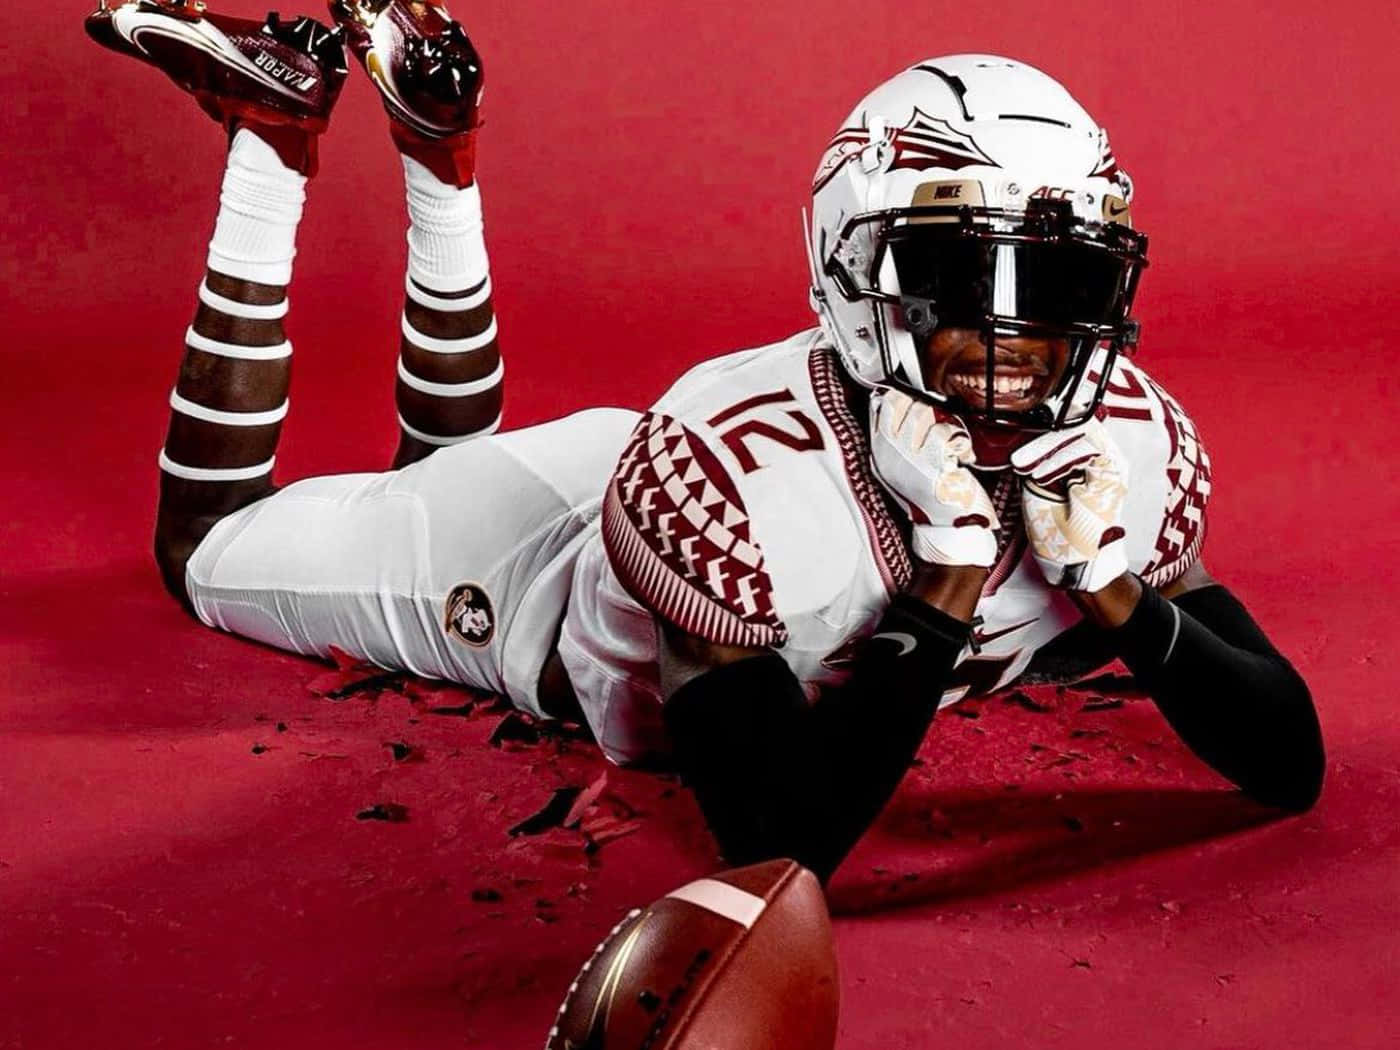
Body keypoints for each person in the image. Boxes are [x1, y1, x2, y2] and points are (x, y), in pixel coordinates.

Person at [86, 0, 1324, 884]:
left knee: (425, 468)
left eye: (1057, 279)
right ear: (849, 263)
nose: (1014, 331)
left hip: (664, 461)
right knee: (205, 550)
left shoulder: (1125, 444)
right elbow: (783, 846)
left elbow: (1289, 758)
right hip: (527, 563)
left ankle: (437, 152)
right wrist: (946, 586)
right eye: (961, 271)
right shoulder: (733, 483)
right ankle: (272, 149)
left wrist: (1114, 594)